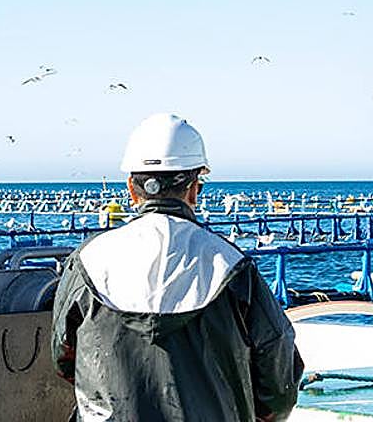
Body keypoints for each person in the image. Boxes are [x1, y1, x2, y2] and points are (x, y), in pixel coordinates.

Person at [52, 113, 304, 422]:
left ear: (132, 188)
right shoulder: (232, 266)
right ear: (194, 188)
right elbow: (278, 378)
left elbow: (64, 357)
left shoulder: (88, 262)